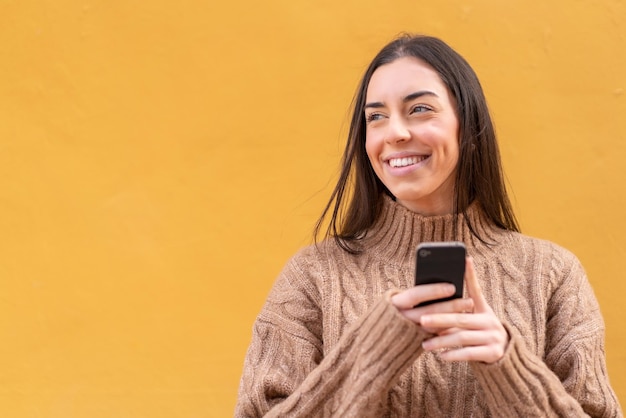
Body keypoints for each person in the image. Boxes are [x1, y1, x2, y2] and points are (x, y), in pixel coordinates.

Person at [234, 34, 622, 417]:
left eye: (419, 109)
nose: (395, 132)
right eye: (376, 117)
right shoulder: (313, 276)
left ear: (468, 126)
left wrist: (511, 369)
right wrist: (370, 353)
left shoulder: (552, 275)